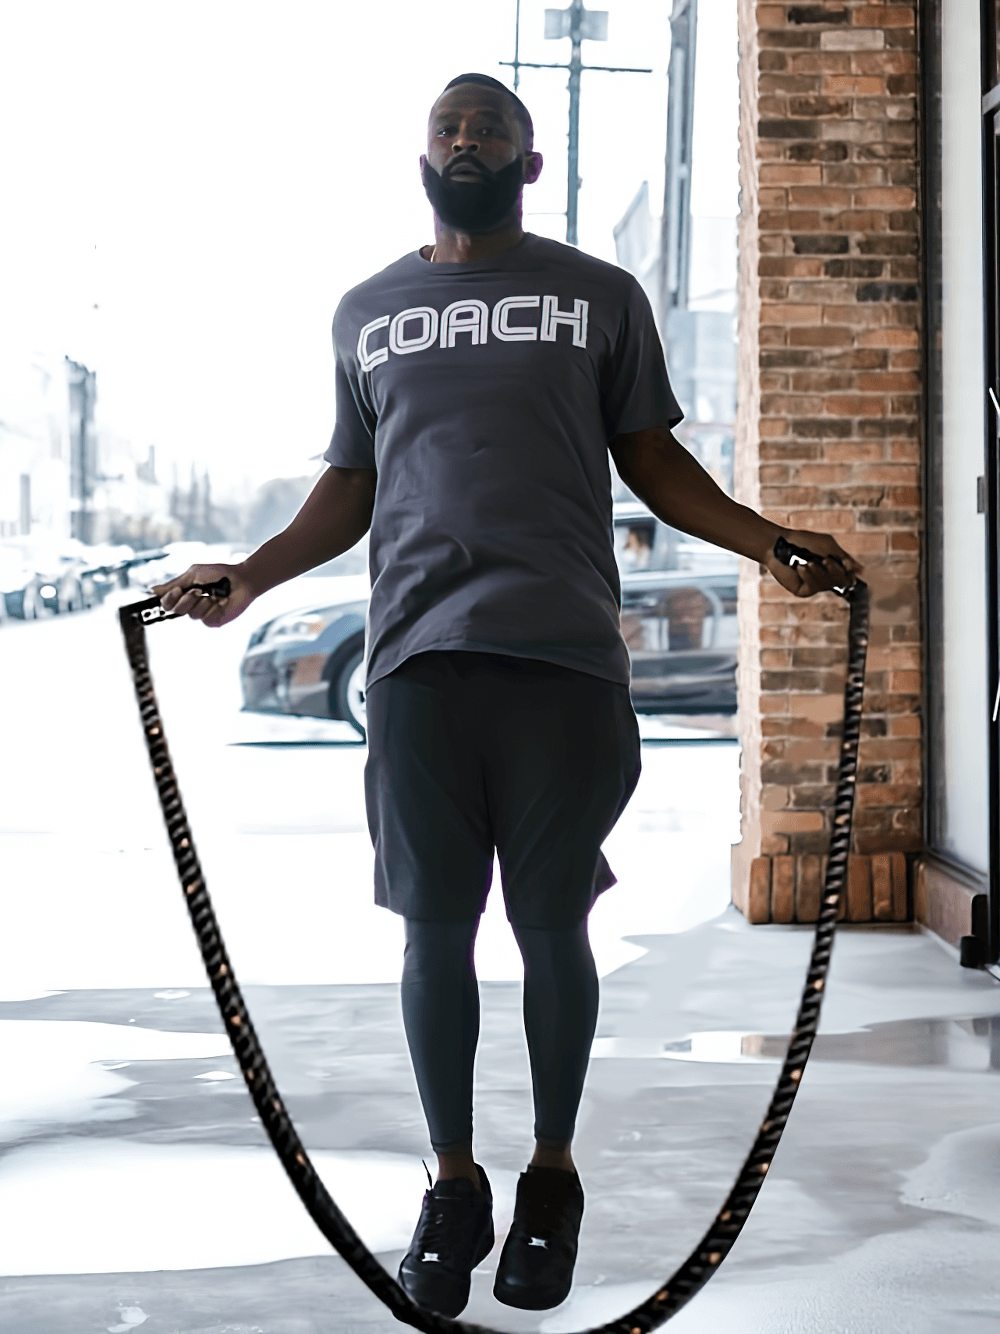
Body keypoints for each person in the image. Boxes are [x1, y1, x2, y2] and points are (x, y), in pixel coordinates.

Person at [154, 73, 860, 1319]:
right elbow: (348, 484)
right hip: (417, 664)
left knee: (548, 923)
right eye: (447, 126)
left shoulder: (597, 297)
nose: (465, 139)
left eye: (489, 128)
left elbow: (650, 458)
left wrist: (765, 540)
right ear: (420, 155)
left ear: (528, 164)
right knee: (433, 926)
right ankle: (455, 1183)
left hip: (563, 657)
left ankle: (549, 1176)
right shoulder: (367, 312)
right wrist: (251, 576)